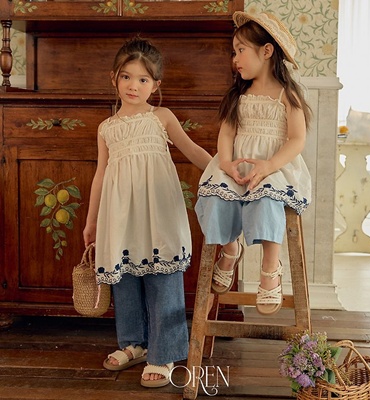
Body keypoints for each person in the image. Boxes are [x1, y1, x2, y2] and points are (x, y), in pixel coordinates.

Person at [83, 37, 211, 388]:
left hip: (158, 211)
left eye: (143, 79)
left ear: (156, 84)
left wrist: (223, 171)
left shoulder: (161, 118)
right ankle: (134, 343)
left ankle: (163, 352)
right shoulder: (107, 128)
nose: (133, 85)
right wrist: (92, 221)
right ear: (114, 78)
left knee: (162, 277)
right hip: (120, 214)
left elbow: (192, 150)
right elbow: (100, 174)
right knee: (124, 277)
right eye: (126, 77)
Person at [195, 11, 312, 316]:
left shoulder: (287, 95)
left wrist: (269, 165)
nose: (235, 59)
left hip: (273, 167)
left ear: (267, 51)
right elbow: (226, 134)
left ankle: (270, 268)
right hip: (238, 164)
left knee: (267, 197)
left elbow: (297, 139)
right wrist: (226, 162)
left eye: (240, 50)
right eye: (234, 52)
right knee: (215, 196)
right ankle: (230, 249)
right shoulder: (239, 94)